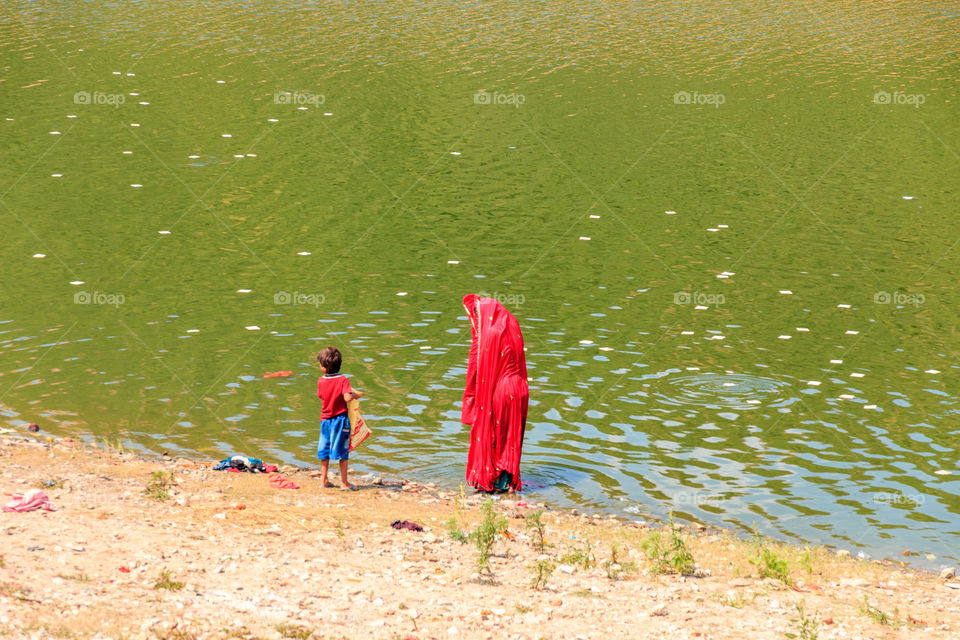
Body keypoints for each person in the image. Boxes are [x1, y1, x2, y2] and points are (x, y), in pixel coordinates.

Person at [461, 294, 529, 493]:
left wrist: (473, 401)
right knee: (511, 438)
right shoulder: (511, 324)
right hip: (520, 389)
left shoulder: (488, 335)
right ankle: (508, 484)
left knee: (493, 434)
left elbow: (477, 370)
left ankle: (492, 482)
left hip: (500, 390)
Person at [316, 346, 363, 490]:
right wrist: (356, 394)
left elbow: (320, 395)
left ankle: (323, 480)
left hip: (325, 420)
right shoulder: (343, 380)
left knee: (325, 450)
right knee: (343, 451)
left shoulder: (321, 380)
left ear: (324, 368)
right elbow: (347, 398)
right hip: (340, 420)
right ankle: (344, 482)